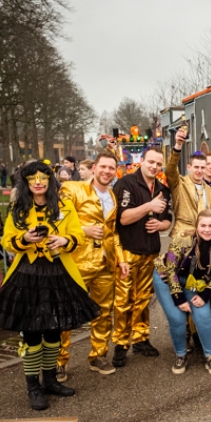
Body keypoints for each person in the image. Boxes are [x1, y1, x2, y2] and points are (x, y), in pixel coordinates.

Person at [0, 161, 99, 410]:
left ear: (50, 181)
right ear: (26, 182)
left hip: (58, 274)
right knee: (32, 333)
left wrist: (63, 240)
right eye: (33, 178)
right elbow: (6, 240)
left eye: (43, 178)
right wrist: (24, 238)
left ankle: (50, 380)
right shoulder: (18, 208)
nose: (38, 182)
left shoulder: (64, 206)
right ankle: (32, 386)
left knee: (54, 330)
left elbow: (78, 236)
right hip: (27, 275)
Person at [56, 151, 123, 380]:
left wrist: (121, 259)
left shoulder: (112, 196)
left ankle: (98, 354)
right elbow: (58, 219)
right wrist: (83, 230)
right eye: (103, 166)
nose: (107, 171)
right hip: (77, 261)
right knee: (66, 310)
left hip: (105, 263)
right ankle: (58, 361)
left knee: (103, 311)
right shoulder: (72, 189)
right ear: (94, 168)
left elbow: (112, 232)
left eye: (111, 168)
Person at [112, 147, 172, 367]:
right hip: (128, 250)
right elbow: (123, 218)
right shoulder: (126, 184)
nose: (155, 167)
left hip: (150, 252)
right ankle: (120, 344)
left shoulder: (163, 189)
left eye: (158, 164)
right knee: (124, 301)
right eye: (151, 162)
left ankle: (140, 339)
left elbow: (167, 219)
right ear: (142, 162)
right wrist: (149, 206)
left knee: (143, 299)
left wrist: (160, 225)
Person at [153, 210, 211, 375]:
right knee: (177, 318)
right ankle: (181, 355)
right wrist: (179, 298)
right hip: (166, 278)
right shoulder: (182, 238)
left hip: (195, 281)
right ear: (196, 226)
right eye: (203, 225)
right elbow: (171, 269)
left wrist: (205, 295)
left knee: (204, 317)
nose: (207, 230)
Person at [167, 128, 211, 236]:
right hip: (182, 236)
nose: (199, 170)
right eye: (196, 167)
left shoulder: (209, 190)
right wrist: (178, 146)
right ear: (189, 167)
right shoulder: (179, 184)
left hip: (204, 237)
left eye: (202, 167)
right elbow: (170, 169)